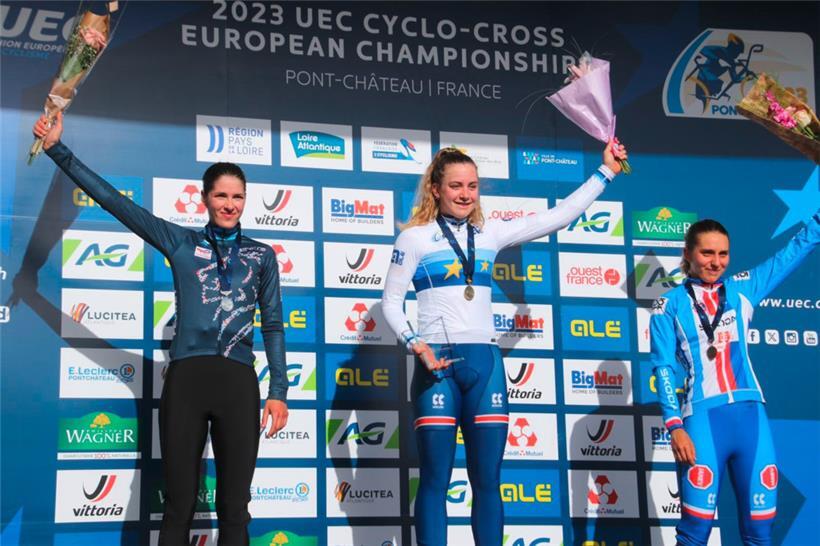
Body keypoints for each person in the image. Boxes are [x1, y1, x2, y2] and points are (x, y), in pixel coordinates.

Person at [34, 112, 289, 546]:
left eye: (238, 197)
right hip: (187, 381)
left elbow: (274, 325)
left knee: (234, 510)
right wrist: (57, 149)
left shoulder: (262, 256)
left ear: (246, 200)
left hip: (238, 384)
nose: (230, 204)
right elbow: (118, 203)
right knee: (178, 504)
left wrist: (279, 391)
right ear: (205, 199)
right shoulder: (180, 242)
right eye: (221, 196)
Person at [381, 141, 627, 545]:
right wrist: (416, 344)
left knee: (488, 481)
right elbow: (390, 302)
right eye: (456, 186)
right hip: (435, 366)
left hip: (486, 365)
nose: (465, 194)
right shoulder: (415, 239)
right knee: (434, 481)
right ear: (436, 189)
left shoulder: (490, 233)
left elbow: (559, 216)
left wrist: (606, 173)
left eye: (472, 186)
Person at [650, 213, 819, 546]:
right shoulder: (667, 305)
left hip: (751, 418)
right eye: (707, 253)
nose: (716, 262)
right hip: (701, 421)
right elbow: (662, 368)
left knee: (760, 533)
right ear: (688, 254)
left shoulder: (744, 288)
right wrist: (675, 427)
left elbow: (796, 249)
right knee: (694, 534)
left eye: (723, 254)